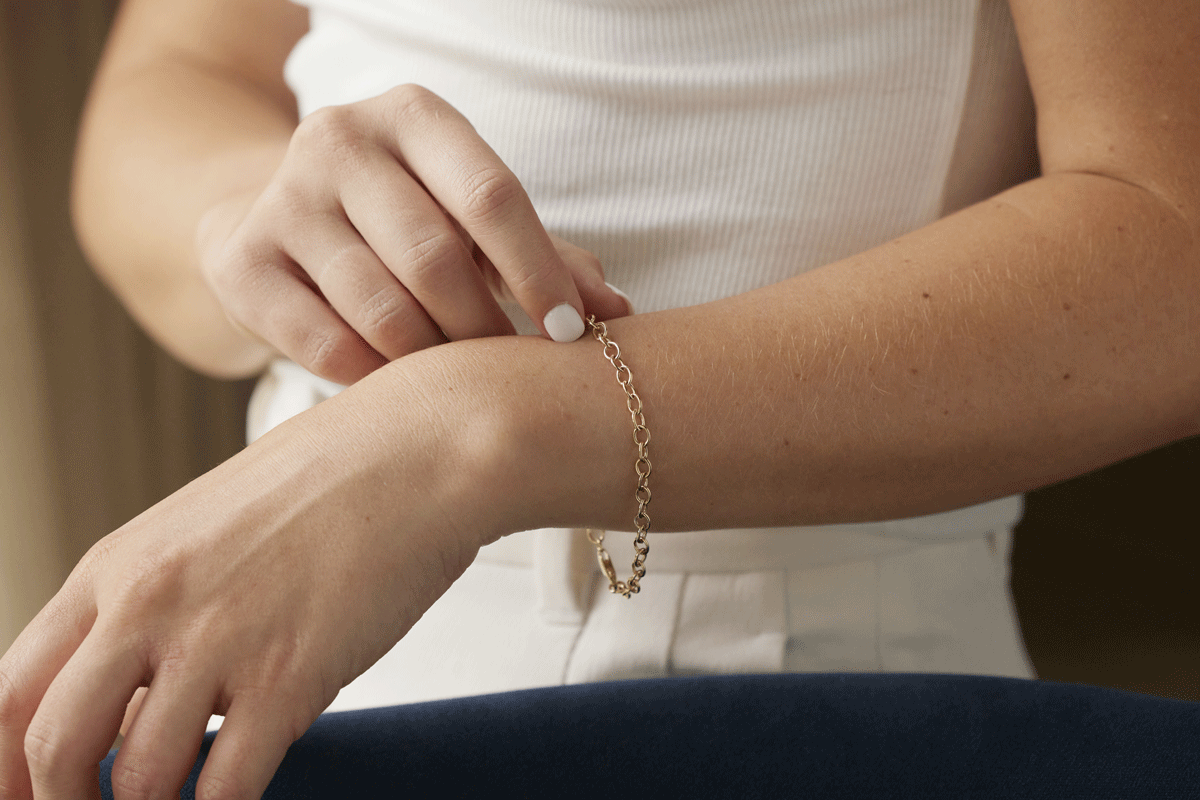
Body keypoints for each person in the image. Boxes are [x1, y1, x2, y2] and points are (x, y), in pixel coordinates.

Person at [1, 0, 1197, 797]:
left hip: (801, 699)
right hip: (285, 634)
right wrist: (257, 222)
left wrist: (466, 437)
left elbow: (1173, 238)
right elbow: (176, 72)